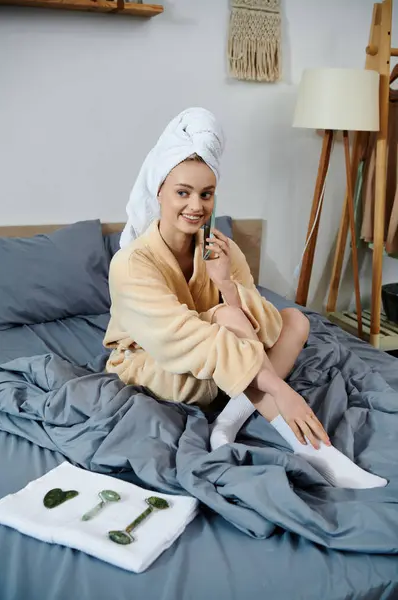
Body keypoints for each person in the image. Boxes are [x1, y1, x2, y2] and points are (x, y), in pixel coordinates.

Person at [104, 107, 386, 490]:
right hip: (162, 365)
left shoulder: (220, 249)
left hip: (227, 363)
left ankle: (228, 422)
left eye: (206, 194)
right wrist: (280, 389)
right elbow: (179, 338)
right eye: (182, 193)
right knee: (225, 322)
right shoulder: (131, 264)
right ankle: (315, 451)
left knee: (296, 320)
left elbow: (264, 325)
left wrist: (227, 285)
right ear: (159, 192)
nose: (195, 206)